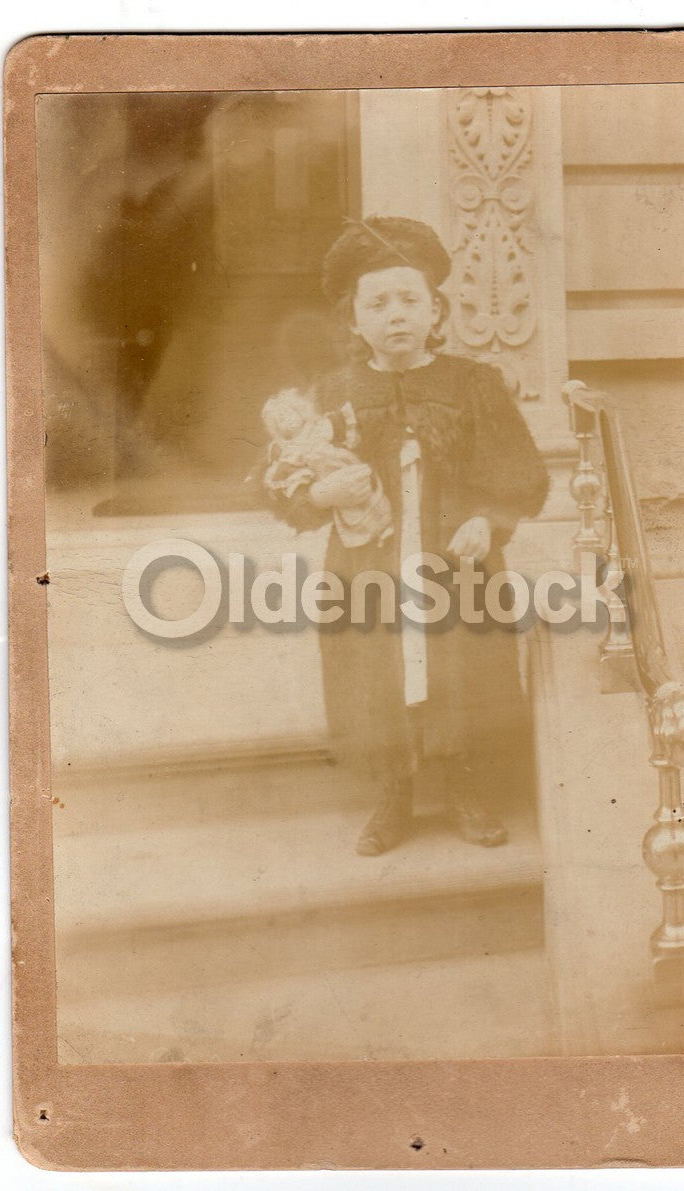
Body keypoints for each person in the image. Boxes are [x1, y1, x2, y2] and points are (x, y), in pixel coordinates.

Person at [270, 215, 549, 856]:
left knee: (462, 666)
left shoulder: (472, 384)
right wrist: (319, 494)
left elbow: (519, 472)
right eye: (377, 303)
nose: (395, 315)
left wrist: (488, 520)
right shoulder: (333, 393)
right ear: (353, 319)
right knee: (377, 671)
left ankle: (465, 789)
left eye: (409, 300)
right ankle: (393, 795)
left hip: (455, 564)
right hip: (366, 566)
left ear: (434, 311)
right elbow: (281, 479)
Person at [261, 387, 393, 549]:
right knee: (348, 508)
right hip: (324, 475)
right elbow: (287, 469)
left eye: (289, 414)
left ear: (300, 412)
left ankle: (384, 523)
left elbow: (341, 424)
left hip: (341, 463)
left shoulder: (319, 426)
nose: (287, 420)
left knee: (365, 489)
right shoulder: (289, 447)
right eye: (281, 420)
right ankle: (368, 531)